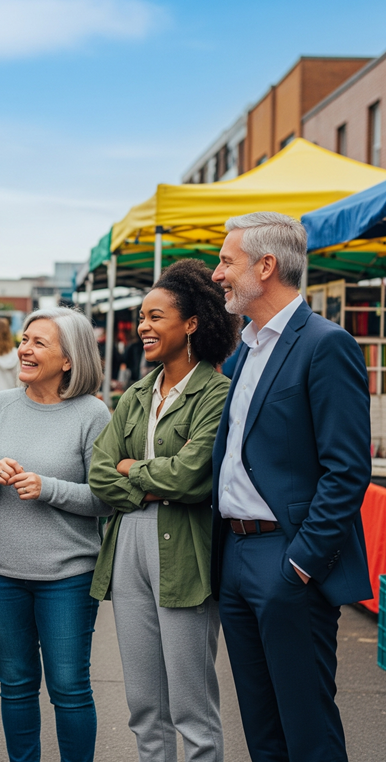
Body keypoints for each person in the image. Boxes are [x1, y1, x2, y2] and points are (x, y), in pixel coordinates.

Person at [211, 212, 371, 762]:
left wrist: (301, 563)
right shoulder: (245, 351)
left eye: (226, 261)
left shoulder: (327, 345)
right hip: (234, 557)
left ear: (266, 265)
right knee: (261, 728)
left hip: (287, 561)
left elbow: (348, 469)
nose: (216, 274)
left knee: (307, 729)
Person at [89, 260, 242, 762]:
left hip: (184, 547)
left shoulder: (217, 393)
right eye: (141, 316)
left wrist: (135, 472)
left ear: (192, 323)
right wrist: (151, 482)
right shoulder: (136, 393)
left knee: (190, 705)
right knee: (143, 704)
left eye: (156, 317)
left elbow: (192, 478)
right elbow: (99, 474)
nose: (143, 327)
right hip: (128, 544)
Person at [0, 307, 113, 762]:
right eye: (24, 339)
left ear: (69, 359)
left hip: (68, 575)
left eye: (38, 342)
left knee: (68, 687)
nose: (24, 349)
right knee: (17, 685)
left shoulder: (93, 414)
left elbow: (106, 499)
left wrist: (50, 489)